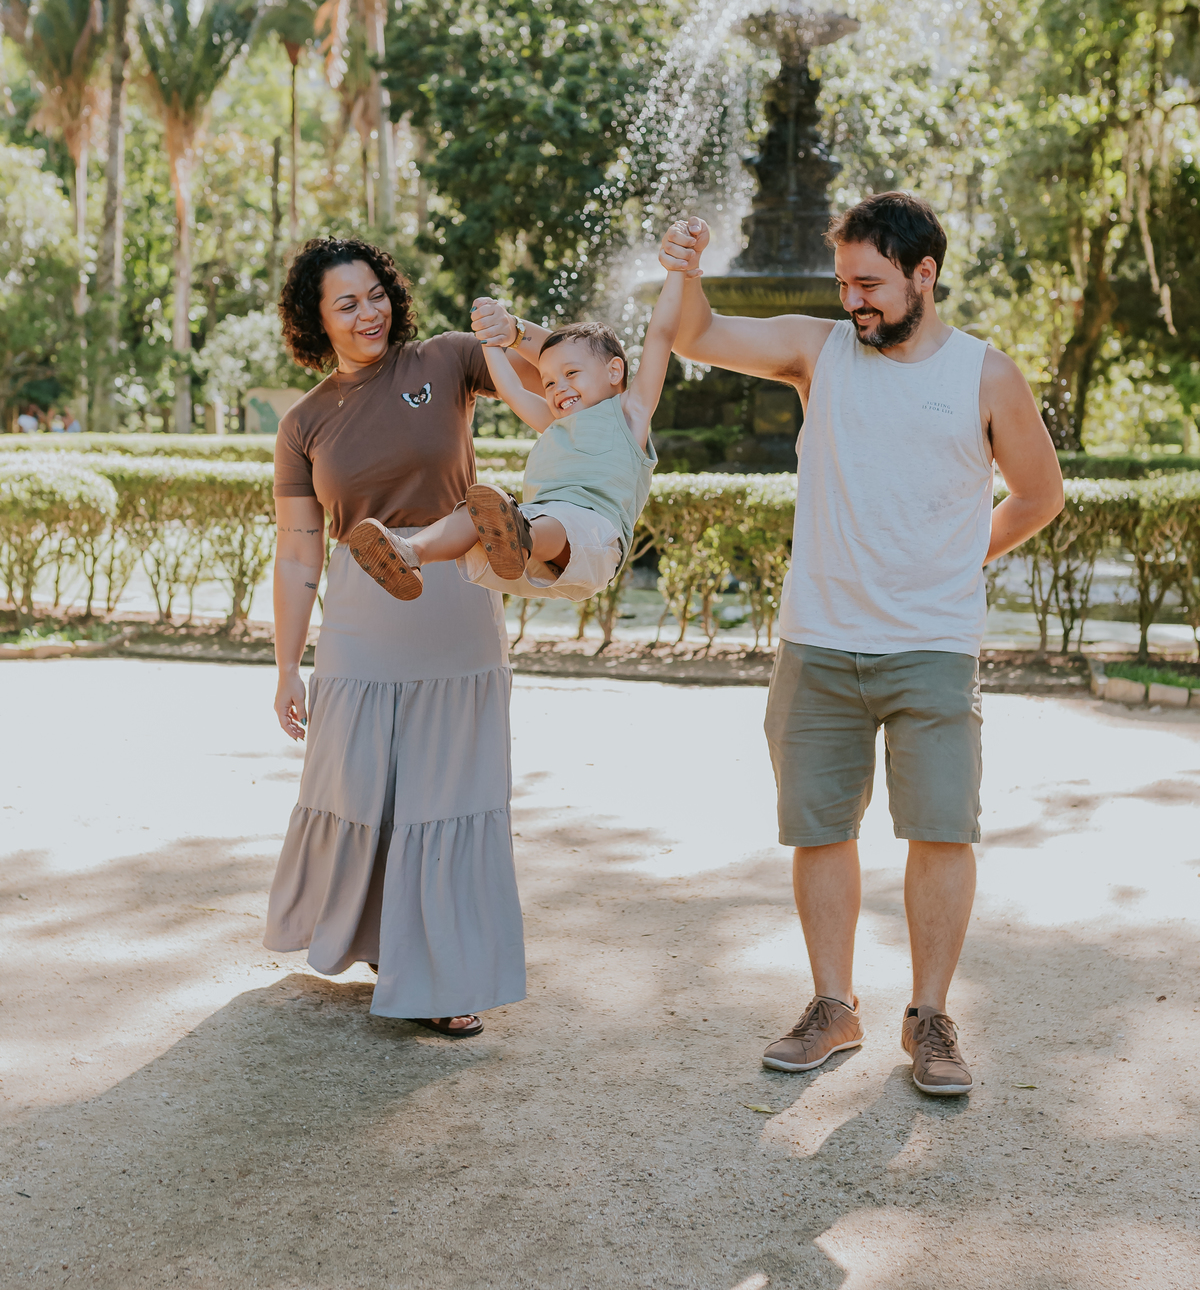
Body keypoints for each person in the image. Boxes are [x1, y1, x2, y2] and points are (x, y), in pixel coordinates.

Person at [659, 192, 1064, 1096]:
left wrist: (962, 554)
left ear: (925, 274)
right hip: (819, 641)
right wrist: (684, 273)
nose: (853, 302)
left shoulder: (986, 375)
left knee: (941, 832)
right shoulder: (819, 351)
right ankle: (833, 1006)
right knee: (820, 831)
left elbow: (1040, 494)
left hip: (934, 646)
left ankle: (930, 1018)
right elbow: (698, 335)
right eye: (844, 283)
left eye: (870, 285)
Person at [263, 236, 528, 1039]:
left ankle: (441, 973)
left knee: (449, 796)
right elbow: (298, 551)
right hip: (359, 619)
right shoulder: (303, 423)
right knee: (362, 790)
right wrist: (286, 667)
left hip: (456, 605)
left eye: (376, 294)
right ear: (316, 320)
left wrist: (515, 332)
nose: (368, 312)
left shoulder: (447, 359)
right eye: (346, 304)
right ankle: (384, 943)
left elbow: (550, 382)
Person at [345, 268, 685, 607]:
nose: (558, 387)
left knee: (543, 519)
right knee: (476, 512)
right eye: (549, 382)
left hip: (595, 538)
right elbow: (511, 389)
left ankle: (521, 535)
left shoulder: (630, 414)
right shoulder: (555, 423)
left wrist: (677, 271)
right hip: (535, 533)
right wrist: (489, 339)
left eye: (571, 373)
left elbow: (660, 335)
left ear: (614, 370)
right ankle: (410, 554)